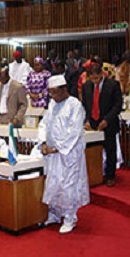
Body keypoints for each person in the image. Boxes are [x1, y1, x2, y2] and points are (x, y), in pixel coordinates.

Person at [38, 75, 90, 234]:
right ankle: (54, 214)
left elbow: (74, 132)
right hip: (53, 154)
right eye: (51, 93)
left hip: (69, 154)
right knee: (53, 184)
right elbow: (43, 124)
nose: (53, 96)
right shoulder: (53, 104)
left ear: (64, 89)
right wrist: (43, 143)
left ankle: (69, 218)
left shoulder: (75, 105)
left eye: (55, 93)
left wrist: (58, 147)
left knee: (68, 186)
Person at [82, 64, 123, 186]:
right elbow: (85, 105)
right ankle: (95, 175)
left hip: (108, 123)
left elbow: (118, 105)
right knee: (93, 150)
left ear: (101, 74)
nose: (95, 81)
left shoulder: (113, 85)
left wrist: (106, 120)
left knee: (110, 150)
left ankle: (110, 176)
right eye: (92, 79)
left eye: (97, 78)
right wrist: (86, 120)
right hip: (93, 124)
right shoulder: (86, 86)